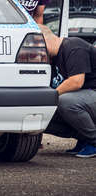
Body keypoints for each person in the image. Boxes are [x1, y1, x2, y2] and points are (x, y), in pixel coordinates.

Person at [39, 25, 96, 158]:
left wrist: (50, 97)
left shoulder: (73, 46)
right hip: (86, 100)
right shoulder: (52, 60)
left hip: (92, 92)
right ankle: (84, 138)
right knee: (41, 114)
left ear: (43, 40)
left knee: (65, 101)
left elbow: (76, 81)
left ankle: (93, 140)